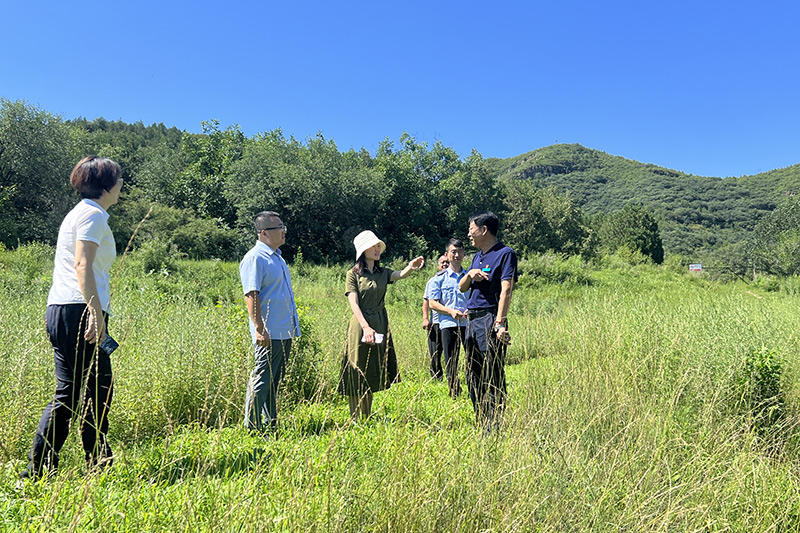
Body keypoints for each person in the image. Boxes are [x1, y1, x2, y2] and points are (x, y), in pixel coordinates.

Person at [22, 156, 123, 480]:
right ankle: (43, 469)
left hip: (65, 309)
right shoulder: (93, 215)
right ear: (106, 185)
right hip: (79, 311)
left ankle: (83, 461)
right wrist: (95, 312)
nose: (122, 185)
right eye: (119, 179)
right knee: (87, 389)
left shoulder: (80, 213)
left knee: (90, 386)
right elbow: (82, 265)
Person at [339, 230, 425, 419]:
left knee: (372, 368)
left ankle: (366, 415)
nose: (377, 249)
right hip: (359, 325)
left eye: (378, 246)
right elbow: (353, 303)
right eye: (373, 246)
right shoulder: (352, 274)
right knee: (357, 367)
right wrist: (365, 327)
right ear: (363, 250)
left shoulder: (382, 272)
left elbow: (399, 274)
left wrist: (411, 266)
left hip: (379, 323)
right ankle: (354, 418)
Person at [239, 211, 300, 433]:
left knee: (274, 380)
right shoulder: (255, 258)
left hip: (284, 330)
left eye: (284, 226)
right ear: (264, 232)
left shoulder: (277, 257)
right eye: (279, 228)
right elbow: (251, 295)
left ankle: (270, 423)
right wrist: (259, 329)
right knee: (263, 378)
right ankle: (252, 428)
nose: (284, 231)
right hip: (268, 331)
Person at [459, 211, 518, 430]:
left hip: (489, 318)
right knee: (472, 372)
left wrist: (500, 323)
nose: (469, 234)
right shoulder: (477, 257)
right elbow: (462, 287)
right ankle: (481, 418)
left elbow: (507, 288)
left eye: (471, 229)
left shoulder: (505, 254)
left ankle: (495, 425)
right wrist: (470, 274)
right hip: (472, 320)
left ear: (484, 230)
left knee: (492, 372)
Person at [429, 239, 469, 398]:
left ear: (464, 254)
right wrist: (450, 311)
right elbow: (432, 303)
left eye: (460, 251)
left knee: (473, 359)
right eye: (453, 251)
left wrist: (470, 309)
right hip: (448, 324)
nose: (457, 255)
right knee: (451, 360)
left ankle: (474, 388)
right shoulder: (439, 278)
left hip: (469, 323)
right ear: (447, 254)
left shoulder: (470, 276)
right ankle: (454, 392)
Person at [422, 255, 448, 380]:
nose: (445, 265)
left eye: (447, 262)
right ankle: (437, 377)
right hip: (436, 321)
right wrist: (425, 318)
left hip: (450, 322)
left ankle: (451, 375)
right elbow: (426, 301)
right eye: (442, 262)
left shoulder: (455, 278)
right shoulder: (432, 281)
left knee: (450, 351)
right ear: (438, 265)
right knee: (435, 351)